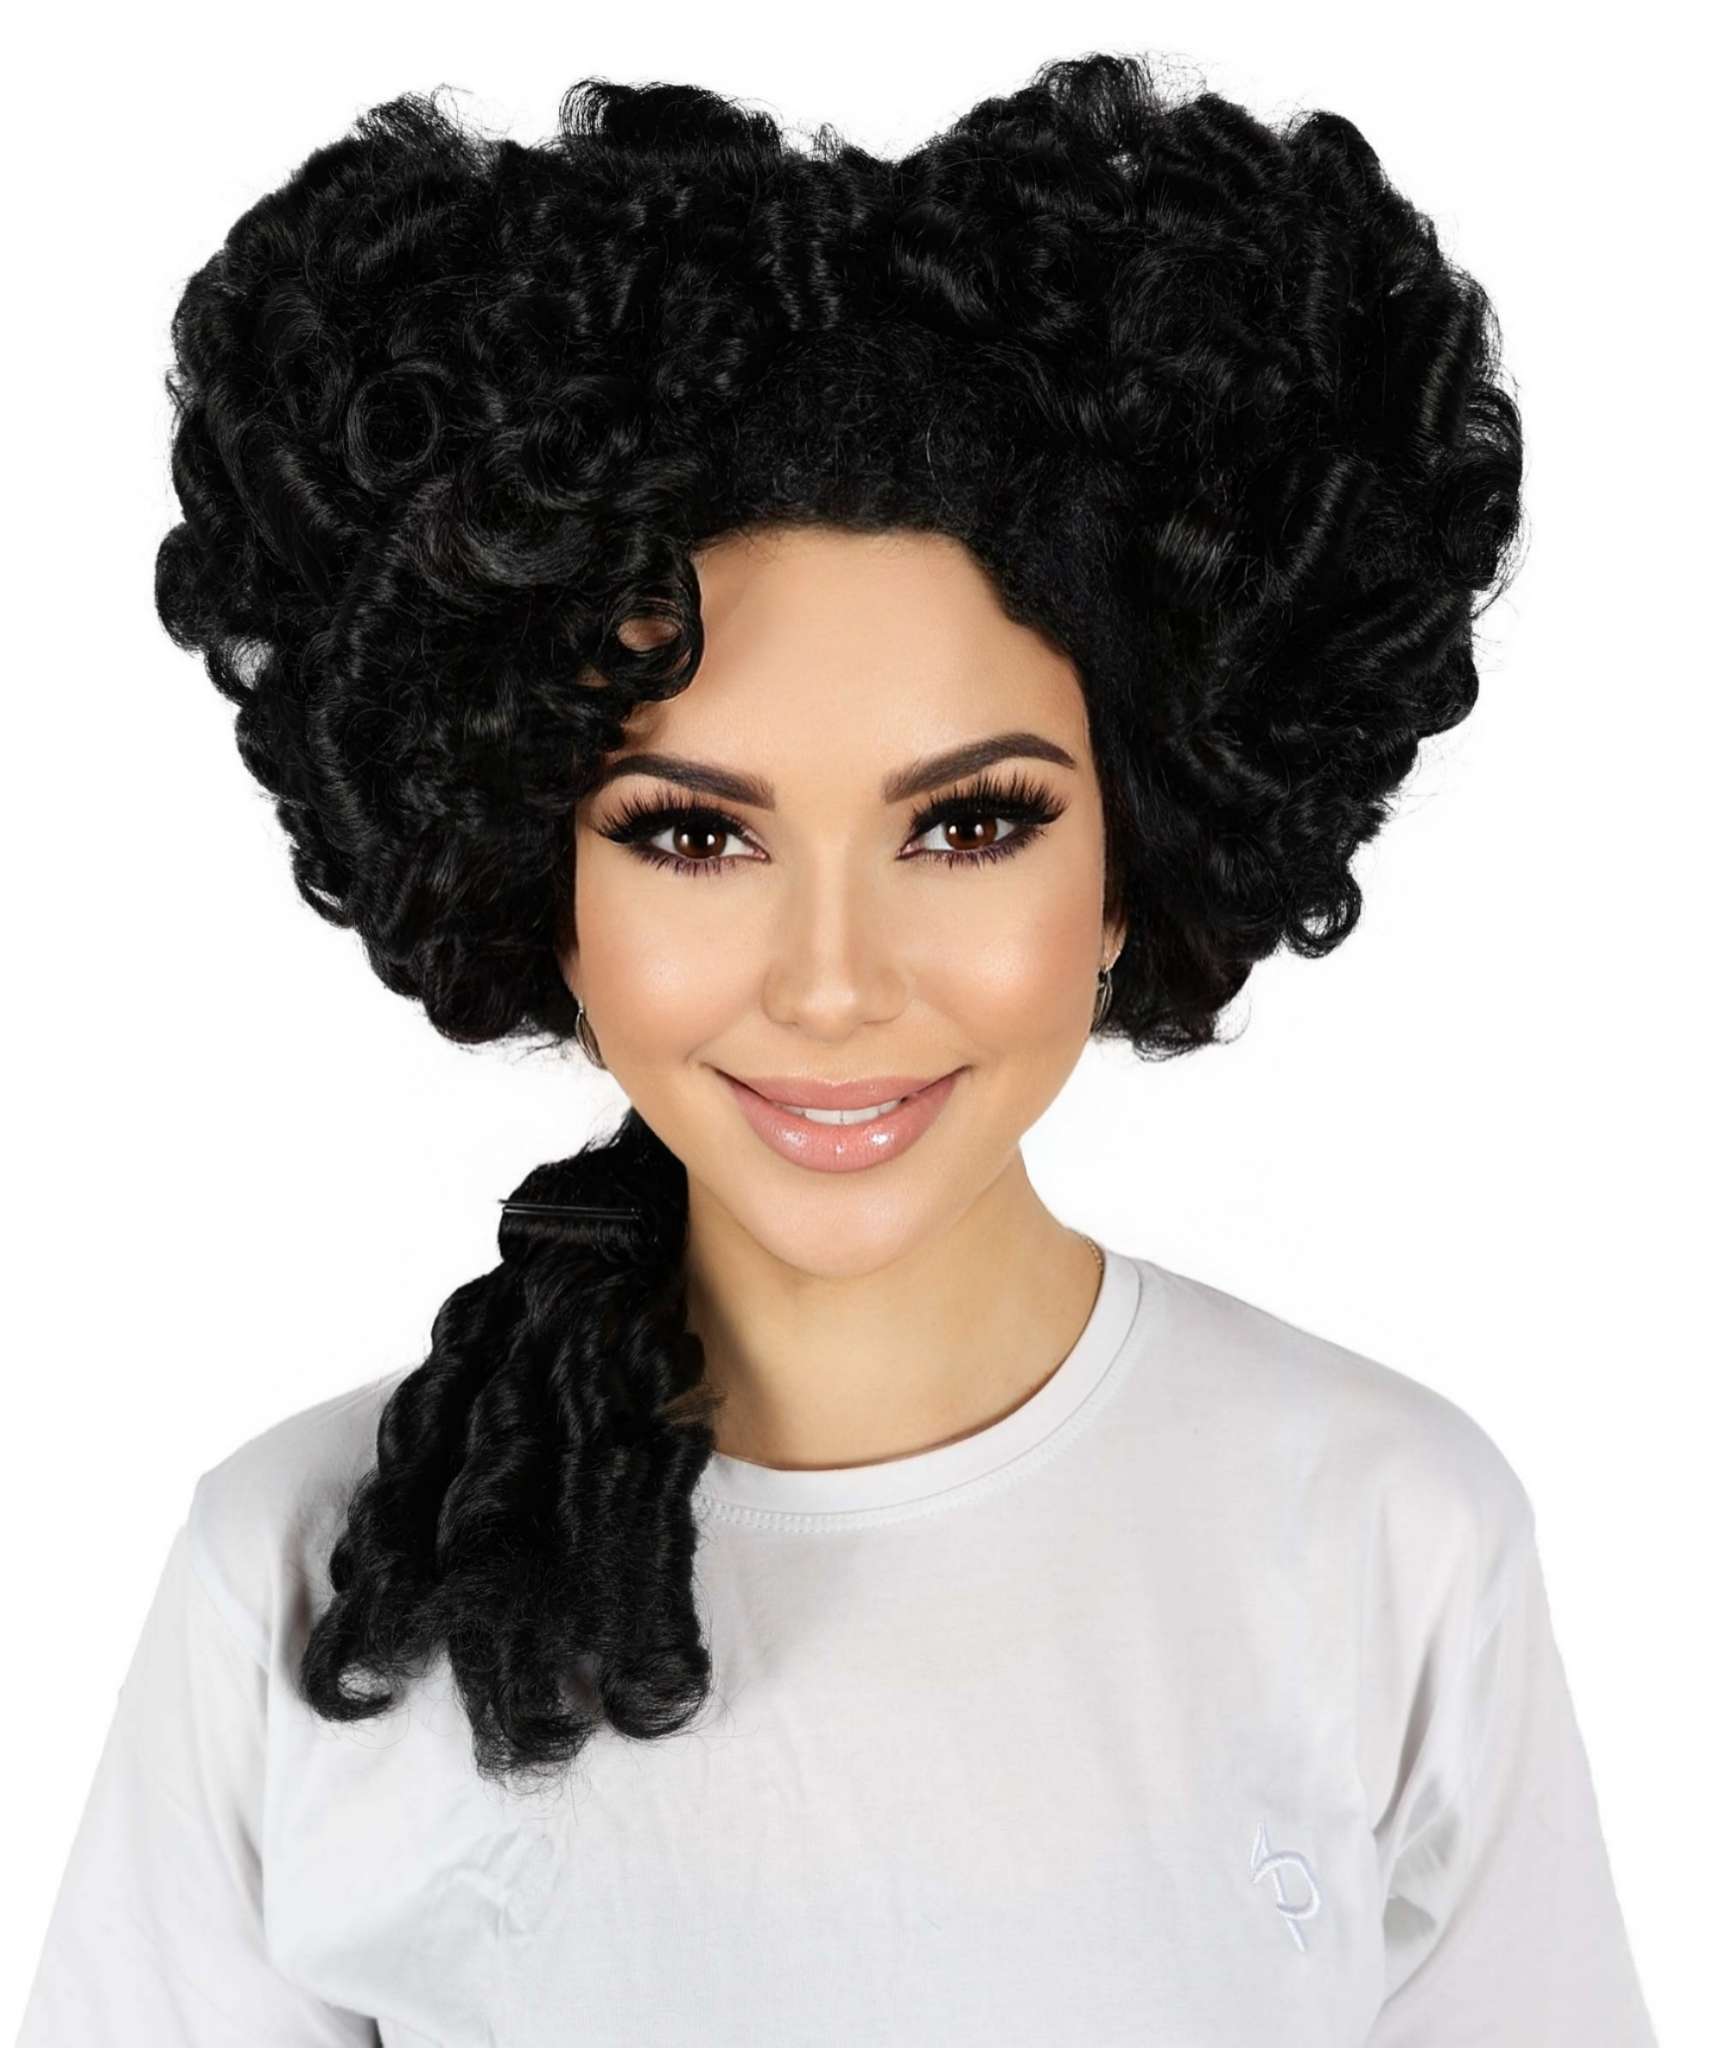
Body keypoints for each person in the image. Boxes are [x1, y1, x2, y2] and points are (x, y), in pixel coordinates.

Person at [17, 51, 1657, 2046]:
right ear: (540, 874)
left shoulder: (1387, 1542)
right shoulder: (300, 1582)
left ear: (1139, 854)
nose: (832, 980)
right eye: (694, 836)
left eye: (968, 824)